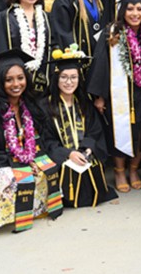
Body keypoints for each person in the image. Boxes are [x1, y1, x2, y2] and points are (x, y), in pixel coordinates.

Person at [0, 49, 63, 235]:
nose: (16, 84)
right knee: (11, 176)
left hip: (23, 158)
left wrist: (33, 159)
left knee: (47, 167)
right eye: (9, 80)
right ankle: (3, 217)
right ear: (0, 82)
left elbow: (38, 140)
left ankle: (36, 209)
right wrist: (18, 163)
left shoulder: (30, 104)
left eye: (20, 78)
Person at [88, 0, 141, 194]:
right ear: (123, 11)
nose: (135, 13)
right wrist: (100, 96)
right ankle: (119, 171)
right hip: (117, 94)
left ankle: (134, 169)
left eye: (139, 9)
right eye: (130, 9)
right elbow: (101, 64)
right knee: (118, 131)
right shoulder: (111, 33)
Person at [46, 52, 117, 208]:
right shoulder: (46, 107)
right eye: (64, 77)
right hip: (61, 159)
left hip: (84, 155)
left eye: (74, 77)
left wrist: (87, 149)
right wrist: (68, 154)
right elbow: (47, 140)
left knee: (91, 168)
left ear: (79, 79)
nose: (69, 82)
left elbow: (95, 132)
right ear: (56, 79)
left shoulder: (85, 104)